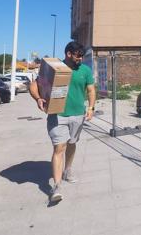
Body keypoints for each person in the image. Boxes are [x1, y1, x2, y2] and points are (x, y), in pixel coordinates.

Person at [29, 41, 95, 203]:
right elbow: (34, 85)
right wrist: (38, 98)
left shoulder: (85, 70)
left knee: (72, 143)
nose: (80, 59)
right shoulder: (55, 69)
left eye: (82, 56)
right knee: (59, 147)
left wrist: (91, 107)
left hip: (78, 115)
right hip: (57, 115)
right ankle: (56, 186)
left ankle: (68, 170)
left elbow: (91, 89)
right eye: (78, 56)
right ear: (69, 54)